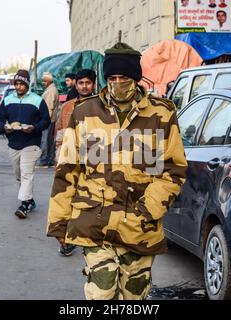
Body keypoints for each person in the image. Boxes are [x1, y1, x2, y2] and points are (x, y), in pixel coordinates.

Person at [47, 42, 187, 300]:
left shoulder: (161, 114)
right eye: (112, 78)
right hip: (93, 222)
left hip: (139, 226)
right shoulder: (84, 113)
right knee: (102, 292)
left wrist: (147, 211)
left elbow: (173, 171)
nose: (118, 83)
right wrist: (59, 222)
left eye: (124, 77)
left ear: (136, 78)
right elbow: (67, 171)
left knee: (134, 297)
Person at [0, 69, 50, 219]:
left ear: (27, 84)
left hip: (31, 143)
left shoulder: (37, 100)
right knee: (19, 175)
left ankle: (24, 205)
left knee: (27, 173)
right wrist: (4, 127)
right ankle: (30, 199)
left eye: (22, 84)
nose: (19, 87)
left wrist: (34, 128)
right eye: (17, 83)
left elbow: (46, 120)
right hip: (13, 143)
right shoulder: (7, 100)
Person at [53, 68, 96, 257]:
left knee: (90, 199)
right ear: (76, 84)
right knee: (69, 198)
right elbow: (60, 133)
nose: (84, 86)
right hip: (70, 159)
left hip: (95, 160)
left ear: (94, 84)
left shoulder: (102, 105)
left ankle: (89, 235)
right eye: (81, 83)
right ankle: (68, 240)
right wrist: (58, 159)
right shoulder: (67, 107)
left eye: (88, 83)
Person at [38, 72, 59, 168]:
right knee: (49, 140)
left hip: (48, 120)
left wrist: (45, 121)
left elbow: (49, 107)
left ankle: (44, 160)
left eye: (44, 81)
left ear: (48, 81)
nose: (43, 83)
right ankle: (49, 159)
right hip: (50, 119)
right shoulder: (51, 89)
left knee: (45, 140)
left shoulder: (50, 91)